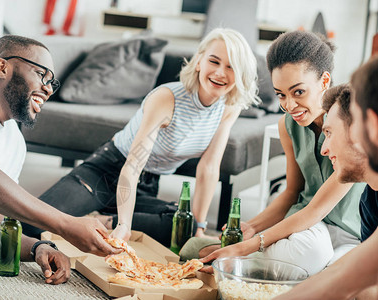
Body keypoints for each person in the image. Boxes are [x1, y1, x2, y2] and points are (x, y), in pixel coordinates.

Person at [21, 27, 260, 246]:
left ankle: (101, 220)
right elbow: (132, 165)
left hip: (147, 184)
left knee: (182, 225)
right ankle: (99, 217)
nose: (220, 73)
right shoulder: (166, 98)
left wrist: (198, 228)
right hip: (108, 170)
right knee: (29, 226)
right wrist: (125, 224)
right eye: (214, 61)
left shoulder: (229, 107)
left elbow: (208, 168)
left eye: (231, 67)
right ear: (198, 61)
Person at [0, 35, 119, 299]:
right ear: (2, 67)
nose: (49, 89)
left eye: (52, 82)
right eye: (42, 74)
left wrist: (38, 247)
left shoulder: (14, 144)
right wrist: (66, 225)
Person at [199, 31, 365, 276]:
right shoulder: (287, 126)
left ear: (324, 80)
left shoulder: (351, 123)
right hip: (308, 230)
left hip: (350, 233)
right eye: (281, 94)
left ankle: (248, 263)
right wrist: (251, 227)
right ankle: (246, 263)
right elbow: (292, 193)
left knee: (338, 272)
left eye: (298, 92)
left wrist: (248, 247)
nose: (289, 105)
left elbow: (318, 208)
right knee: (313, 253)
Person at [275, 57, 378, 300]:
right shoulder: (371, 199)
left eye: (330, 132)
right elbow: (349, 273)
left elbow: (346, 279)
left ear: (371, 124)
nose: (324, 148)